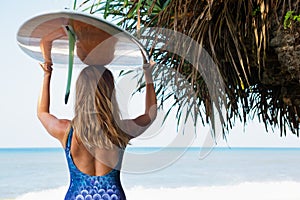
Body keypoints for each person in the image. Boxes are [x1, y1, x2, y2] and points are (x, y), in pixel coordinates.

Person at [38, 25, 157, 200]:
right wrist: (148, 74)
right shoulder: (120, 131)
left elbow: (42, 113)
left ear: (80, 94)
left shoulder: (67, 132)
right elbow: (150, 114)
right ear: (110, 93)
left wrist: (48, 73)